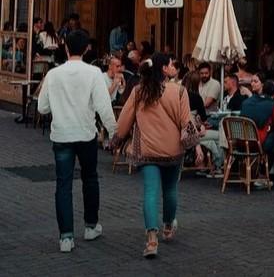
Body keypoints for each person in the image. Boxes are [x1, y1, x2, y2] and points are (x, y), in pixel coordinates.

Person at [37, 29, 117, 253]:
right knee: (90, 179)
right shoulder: (93, 73)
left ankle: (66, 236)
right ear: (86, 49)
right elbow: (103, 107)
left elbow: (42, 107)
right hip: (85, 133)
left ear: (65, 47)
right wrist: (114, 132)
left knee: (63, 184)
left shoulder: (53, 74)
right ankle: (91, 226)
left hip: (62, 134)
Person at [113, 54, 191, 258]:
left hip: (146, 150)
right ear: (164, 69)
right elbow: (186, 123)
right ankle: (167, 226)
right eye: (171, 64)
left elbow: (124, 121)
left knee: (150, 192)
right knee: (170, 189)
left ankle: (151, 240)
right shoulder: (180, 92)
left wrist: (116, 140)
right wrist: (196, 146)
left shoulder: (139, 91)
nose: (173, 67)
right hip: (173, 150)